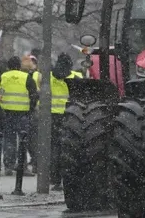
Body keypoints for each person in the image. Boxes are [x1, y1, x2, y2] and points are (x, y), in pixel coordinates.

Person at [49, 53, 82, 190]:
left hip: (53, 116)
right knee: (69, 148)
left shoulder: (49, 77)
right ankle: (68, 178)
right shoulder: (76, 77)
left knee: (54, 147)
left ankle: (54, 178)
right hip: (70, 115)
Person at [0, 56, 38, 176]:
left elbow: (1, 92)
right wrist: (30, 109)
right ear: (19, 66)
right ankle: (22, 167)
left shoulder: (3, 76)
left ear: (8, 66)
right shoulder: (27, 77)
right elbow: (34, 96)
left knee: (9, 140)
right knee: (23, 141)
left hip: (8, 113)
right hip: (23, 113)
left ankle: (8, 166)